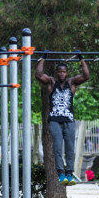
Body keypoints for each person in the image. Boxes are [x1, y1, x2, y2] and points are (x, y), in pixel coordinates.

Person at [35, 50, 90, 186]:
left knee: (70, 148)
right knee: (58, 148)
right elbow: (38, 75)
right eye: (59, 71)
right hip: (54, 120)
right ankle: (61, 174)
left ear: (67, 73)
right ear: (56, 72)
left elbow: (86, 75)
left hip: (69, 121)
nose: (61, 74)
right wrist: (43, 58)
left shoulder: (71, 83)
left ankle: (69, 174)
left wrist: (81, 58)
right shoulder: (51, 83)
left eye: (64, 72)